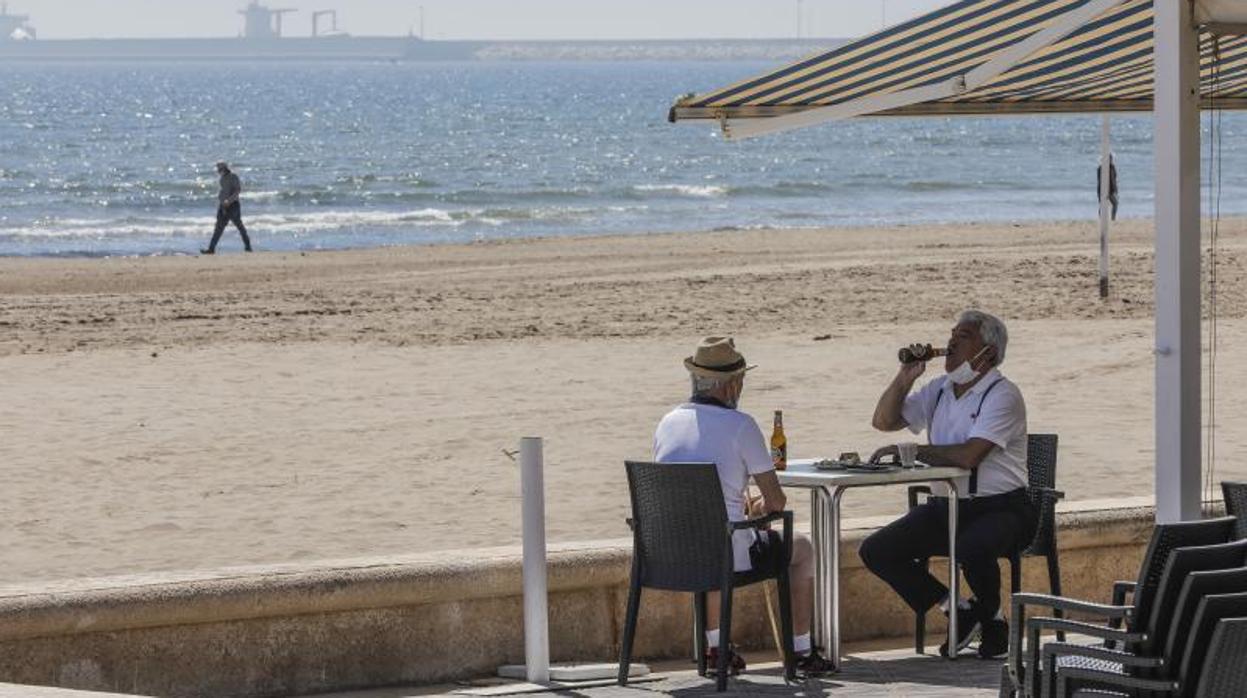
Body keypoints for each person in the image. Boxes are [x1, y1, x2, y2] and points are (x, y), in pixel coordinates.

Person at [653, 336, 833, 677]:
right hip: (724, 551)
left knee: (710, 539)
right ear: (732, 385)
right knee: (803, 549)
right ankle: (802, 651)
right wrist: (758, 508)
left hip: (670, 553)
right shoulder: (741, 425)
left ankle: (716, 649)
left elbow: (685, 495)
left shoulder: (667, 422)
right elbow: (777, 501)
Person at [859, 310, 1035, 659]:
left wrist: (913, 450)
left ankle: (994, 622)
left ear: (989, 353)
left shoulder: (1003, 395)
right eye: (952, 334)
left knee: (971, 546)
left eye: (964, 336)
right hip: (947, 507)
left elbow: (971, 456)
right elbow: (883, 421)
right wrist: (905, 377)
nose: (951, 342)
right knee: (876, 550)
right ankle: (957, 608)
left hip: (1003, 509)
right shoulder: (939, 390)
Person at [201, 161, 253, 255]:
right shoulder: (222, 178)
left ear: (224, 168)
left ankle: (248, 247)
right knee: (218, 228)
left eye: (219, 169)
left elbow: (237, 190)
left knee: (239, 226)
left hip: (233, 206)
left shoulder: (233, 177)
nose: (218, 171)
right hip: (223, 206)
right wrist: (222, 202)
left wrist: (229, 201)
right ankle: (211, 249)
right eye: (218, 169)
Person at [1097, 153, 1119, 221]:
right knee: (1105, 204)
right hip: (1105, 189)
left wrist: (1115, 189)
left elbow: (1114, 179)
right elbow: (1101, 180)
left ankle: (1112, 218)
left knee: (1113, 204)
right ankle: (1106, 218)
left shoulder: (1111, 167)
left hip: (1110, 189)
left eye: (1111, 158)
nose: (1111, 160)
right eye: (1110, 158)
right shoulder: (1102, 168)